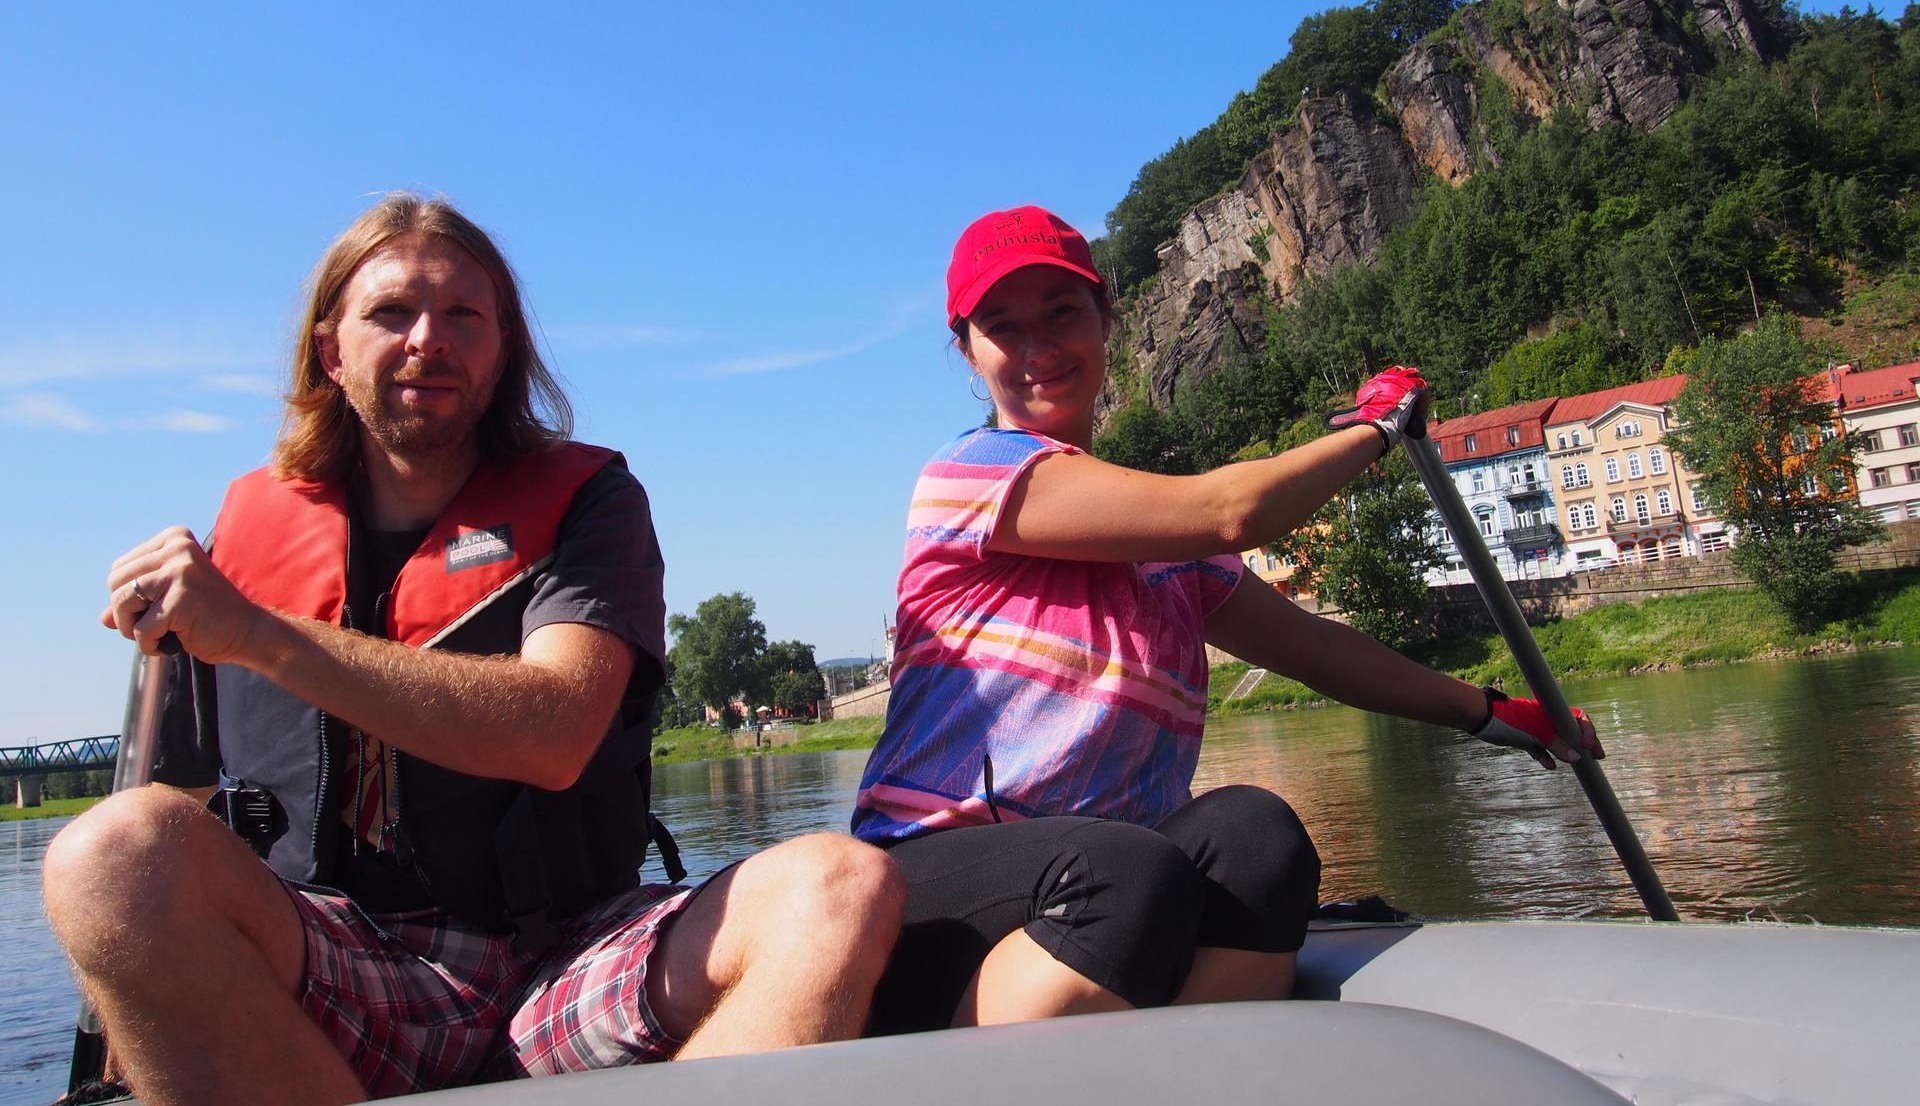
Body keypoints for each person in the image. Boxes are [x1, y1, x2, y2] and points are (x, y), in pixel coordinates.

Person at [45, 195, 904, 1106]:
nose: (429, 339)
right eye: (390, 313)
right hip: (348, 961)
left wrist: (261, 634)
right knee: (107, 857)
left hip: (566, 946)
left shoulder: (591, 506)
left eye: (464, 315)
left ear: (502, 354)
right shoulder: (238, 546)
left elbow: (557, 728)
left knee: (839, 885)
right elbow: (174, 814)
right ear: (331, 352)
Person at [851, 205, 1599, 1033]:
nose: (1037, 348)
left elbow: (1315, 647)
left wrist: (1491, 712)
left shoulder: (1165, 551)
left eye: (1062, 313)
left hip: (1109, 893)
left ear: (1107, 318)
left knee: (1257, 838)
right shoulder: (971, 476)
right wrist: (1380, 430)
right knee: (1121, 869)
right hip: (928, 891)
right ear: (969, 351)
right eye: (1003, 327)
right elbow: (1233, 510)